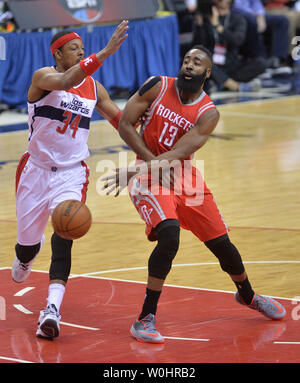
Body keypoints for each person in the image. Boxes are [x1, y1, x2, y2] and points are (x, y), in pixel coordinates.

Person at [102, 45, 286, 344]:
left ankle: (248, 296)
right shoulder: (157, 85)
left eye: (197, 62)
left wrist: (137, 169)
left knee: (223, 245)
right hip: (149, 175)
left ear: (207, 72)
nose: (189, 65)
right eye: (186, 59)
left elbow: (180, 152)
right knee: (170, 235)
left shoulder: (208, 114)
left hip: (184, 175)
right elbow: (125, 124)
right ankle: (145, 318)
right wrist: (142, 169)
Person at [12, 20, 129, 339]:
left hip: (71, 172)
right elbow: (65, 80)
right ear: (58, 53)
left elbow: (119, 120)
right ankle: (25, 256)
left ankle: (51, 309)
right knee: (26, 248)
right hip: (35, 171)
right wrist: (105, 52)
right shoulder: (44, 78)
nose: (81, 53)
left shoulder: (94, 88)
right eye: (74, 49)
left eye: (83, 49)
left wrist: (147, 149)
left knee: (65, 233)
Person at [192, 0, 266, 92]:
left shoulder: (238, 19)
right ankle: (234, 86)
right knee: (201, 61)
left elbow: (236, 41)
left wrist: (218, 26)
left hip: (230, 63)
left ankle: (221, 82)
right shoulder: (206, 19)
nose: (221, 2)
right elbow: (198, 46)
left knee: (260, 63)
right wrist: (199, 26)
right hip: (212, 64)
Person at [232, 0, 292, 75]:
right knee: (251, 20)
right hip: (236, 14)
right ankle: (261, 62)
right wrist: (253, 15)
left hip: (253, 15)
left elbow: (256, 2)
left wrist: (260, 15)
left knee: (282, 21)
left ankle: (276, 61)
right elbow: (232, 5)